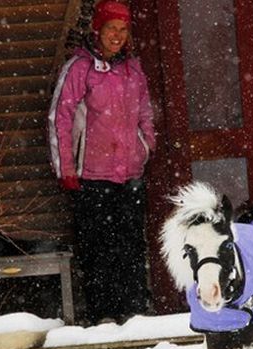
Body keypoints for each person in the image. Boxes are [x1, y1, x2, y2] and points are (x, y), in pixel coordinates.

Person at [48, 0, 155, 325]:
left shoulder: (133, 69)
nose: (117, 36)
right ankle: (104, 315)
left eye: (123, 30)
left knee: (132, 247)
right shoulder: (80, 69)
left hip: (130, 175)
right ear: (99, 29)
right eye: (112, 28)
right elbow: (59, 119)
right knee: (98, 250)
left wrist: (147, 145)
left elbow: (145, 112)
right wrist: (65, 167)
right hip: (91, 177)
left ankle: (134, 313)